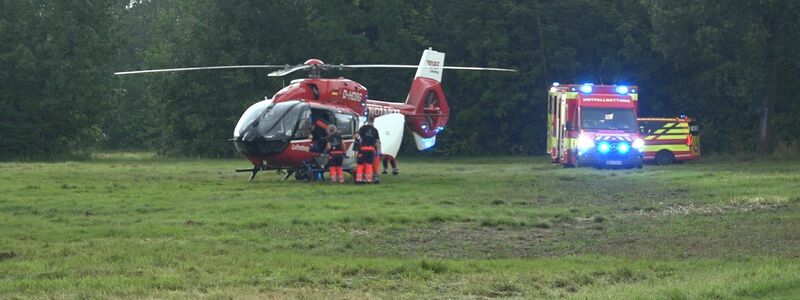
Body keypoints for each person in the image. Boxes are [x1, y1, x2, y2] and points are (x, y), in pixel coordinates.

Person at [355, 117, 380, 184]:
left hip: (363, 149)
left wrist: (360, 140)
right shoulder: (375, 130)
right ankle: (368, 179)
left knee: (360, 164)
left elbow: (356, 135)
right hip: (371, 149)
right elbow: (377, 141)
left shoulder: (363, 128)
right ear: (373, 121)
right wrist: (378, 150)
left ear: (368, 120)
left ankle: (359, 179)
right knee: (369, 164)